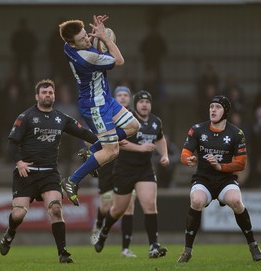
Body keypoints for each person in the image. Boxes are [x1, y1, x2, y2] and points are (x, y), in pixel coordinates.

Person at [0, 79, 98, 263]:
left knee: (56, 210)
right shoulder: (25, 117)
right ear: (37, 96)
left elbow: (83, 133)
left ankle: (63, 253)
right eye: (44, 93)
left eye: (50, 93)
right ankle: (10, 234)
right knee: (19, 214)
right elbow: (11, 144)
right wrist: (19, 162)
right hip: (26, 173)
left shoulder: (60, 118)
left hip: (49, 173)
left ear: (54, 95)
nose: (47, 95)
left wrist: (105, 140)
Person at [59, 15, 140, 206]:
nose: (87, 39)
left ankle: (93, 150)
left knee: (133, 125)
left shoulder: (68, 46)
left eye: (86, 35)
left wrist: (95, 36)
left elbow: (86, 42)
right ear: (73, 43)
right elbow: (119, 60)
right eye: (82, 40)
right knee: (112, 151)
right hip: (95, 106)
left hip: (105, 99)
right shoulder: (88, 57)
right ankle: (72, 181)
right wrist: (104, 38)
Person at [177, 95, 261, 263]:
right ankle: (187, 250)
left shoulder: (236, 133)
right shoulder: (197, 129)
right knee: (196, 201)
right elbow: (184, 154)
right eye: (211, 107)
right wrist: (189, 160)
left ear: (225, 112)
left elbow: (241, 164)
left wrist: (220, 167)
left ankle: (253, 245)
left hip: (225, 179)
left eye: (217, 107)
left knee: (236, 201)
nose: (213, 110)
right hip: (203, 179)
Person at [93, 90, 170, 259]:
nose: (144, 104)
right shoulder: (126, 120)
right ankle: (104, 231)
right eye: (141, 101)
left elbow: (160, 138)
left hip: (145, 169)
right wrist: (140, 148)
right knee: (118, 210)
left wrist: (164, 155)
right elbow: (119, 142)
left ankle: (153, 246)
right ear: (135, 105)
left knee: (150, 205)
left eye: (147, 102)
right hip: (124, 170)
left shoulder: (156, 121)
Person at [88, 86, 137, 258]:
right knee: (106, 204)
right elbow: (92, 140)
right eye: (119, 95)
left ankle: (125, 248)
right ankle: (99, 223)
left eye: (126, 95)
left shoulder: (133, 120)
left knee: (129, 206)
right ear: (114, 99)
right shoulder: (105, 115)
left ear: (130, 99)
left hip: (126, 168)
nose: (123, 98)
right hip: (108, 166)